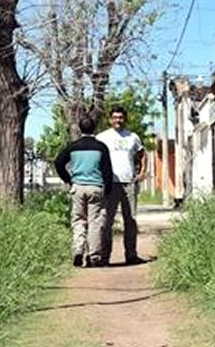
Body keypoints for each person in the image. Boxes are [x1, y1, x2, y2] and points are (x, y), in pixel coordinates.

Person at [54, 116, 113, 267]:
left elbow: (58, 162)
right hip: (96, 187)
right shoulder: (101, 147)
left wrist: (68, 179)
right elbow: (107, 171)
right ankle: (94, 256)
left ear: (80, 128)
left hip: (78, 187)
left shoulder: (73, 147)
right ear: (94, 128)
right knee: (95, 222)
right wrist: (108, 189)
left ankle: (78, 250)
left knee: (79, 220)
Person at [96, 106, 146, 265]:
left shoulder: (133, 137)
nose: (118, 120)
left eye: (121, 117)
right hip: (110, 184)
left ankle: (131, 255)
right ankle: (104, 257)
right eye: (115, 117)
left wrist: (142, 172)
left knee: (130, 220)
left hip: (129, 183)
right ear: (110, 119)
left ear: (125, 119)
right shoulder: (102, 137)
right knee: (106, 221)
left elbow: (143, 155)